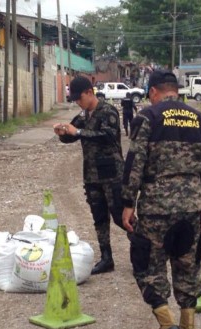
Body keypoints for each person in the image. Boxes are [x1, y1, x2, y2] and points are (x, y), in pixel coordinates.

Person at [121, 70, 201, 329]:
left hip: (155, 208)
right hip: (190, 207)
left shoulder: (148, 118)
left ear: (154, 92)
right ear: (175, 91)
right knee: (187, 263)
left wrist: (128, 202)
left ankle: (167, 326)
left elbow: (135, 162)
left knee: (148, 264)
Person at [53, 76, 125, 275]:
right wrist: (63, 133)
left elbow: (108, 136)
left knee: (121, 216)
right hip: (92, 175)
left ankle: (144, 250)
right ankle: (106, 257)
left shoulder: (108, 111)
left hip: (112, 173)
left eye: (79, 98)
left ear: (89, 92)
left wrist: (78, 132)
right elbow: (72, 136)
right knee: (99, 217)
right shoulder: (83, 115)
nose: (78, 102)